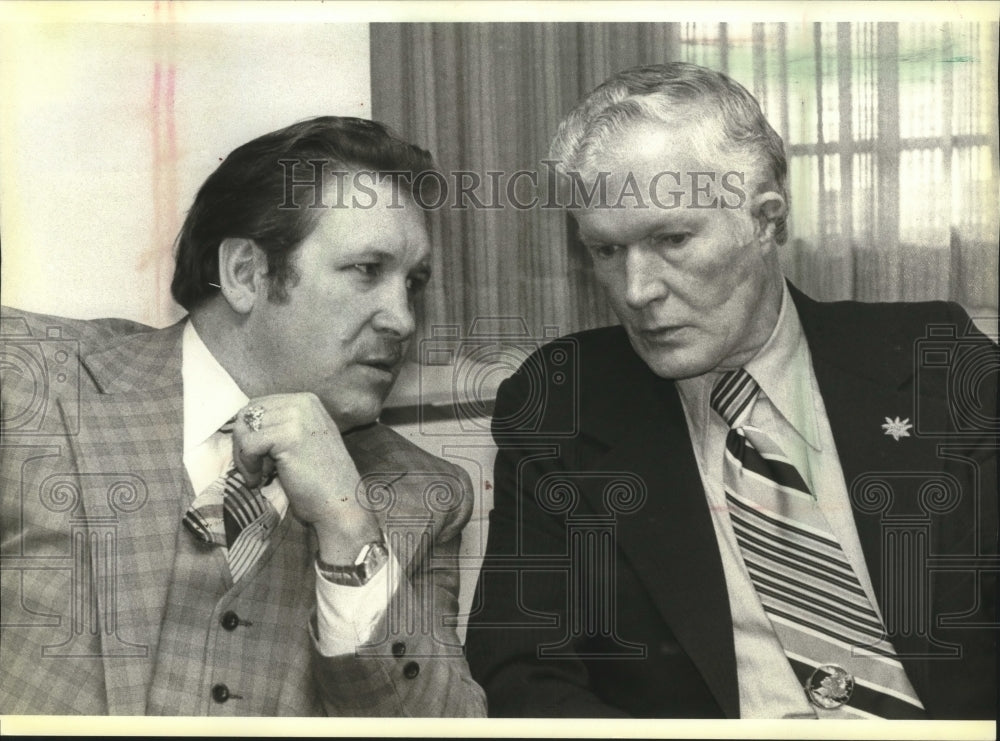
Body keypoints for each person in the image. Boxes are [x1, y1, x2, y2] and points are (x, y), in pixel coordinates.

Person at [465, 63, 998, 719]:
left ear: (765, 220)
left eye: (672, 238)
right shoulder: (561, 402)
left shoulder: (932, 357)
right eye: (606, 251)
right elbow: (522, 672)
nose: (637, 290)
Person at [0, 116, 486, 716]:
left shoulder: (423, 496)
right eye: (367, 270)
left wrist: (349, 530)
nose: (403, 319)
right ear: (245, 274)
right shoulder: (28, 385)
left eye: (413, 283)